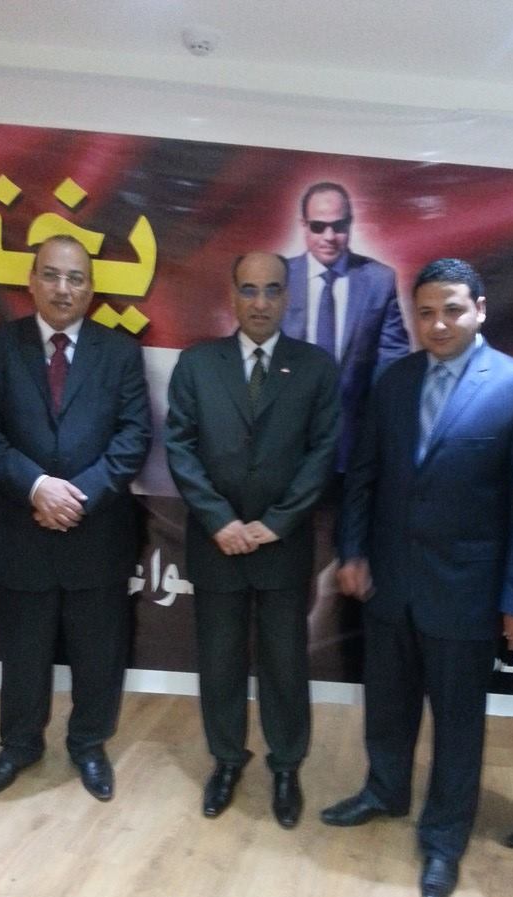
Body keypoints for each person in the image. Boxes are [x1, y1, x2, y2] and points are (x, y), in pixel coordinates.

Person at [321, 258, 513, 897]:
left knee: (457, 725)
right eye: (425, 313)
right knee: (388, 705)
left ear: (478, 308)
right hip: (390, 583)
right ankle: (383, 791)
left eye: (452, 310)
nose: (438, 324)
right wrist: (353, 550)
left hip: (466, 591)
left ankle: (445, 839)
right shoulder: (394, 381)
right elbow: (364, 474)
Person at [0, 235, 152, 802]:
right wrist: (37, 488)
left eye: (75, 278)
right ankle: (19, 745)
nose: (63, 288)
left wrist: (78, 497)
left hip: (98, 530)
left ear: (90, 289)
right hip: (23, 528)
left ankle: (89, 744)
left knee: (99, 653)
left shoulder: (120, 353)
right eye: (51, 275)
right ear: (32, 281)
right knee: (23, 652)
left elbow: (133, 436)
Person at [165, 252, 339, 828]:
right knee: (219, 661)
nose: (260, 302)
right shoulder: (197, 363)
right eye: (249, 289)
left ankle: (286, 766)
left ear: (287, 296)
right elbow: (180, 447)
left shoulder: (315, 367)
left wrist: (279, 521)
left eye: (271, 290)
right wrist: (219, 519)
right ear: (233, 295)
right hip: (217, 544)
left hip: (282, 546)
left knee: (285, 663)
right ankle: (226, 760)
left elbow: (322, 452)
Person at [282, 181, 409, 471]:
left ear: (350, 223)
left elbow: (392, 365)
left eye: (338, 226)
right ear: (303, 225)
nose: (329, 237)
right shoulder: (279, 277)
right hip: (284, 448)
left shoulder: (379, 281)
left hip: (352, 447)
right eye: (318, 226)